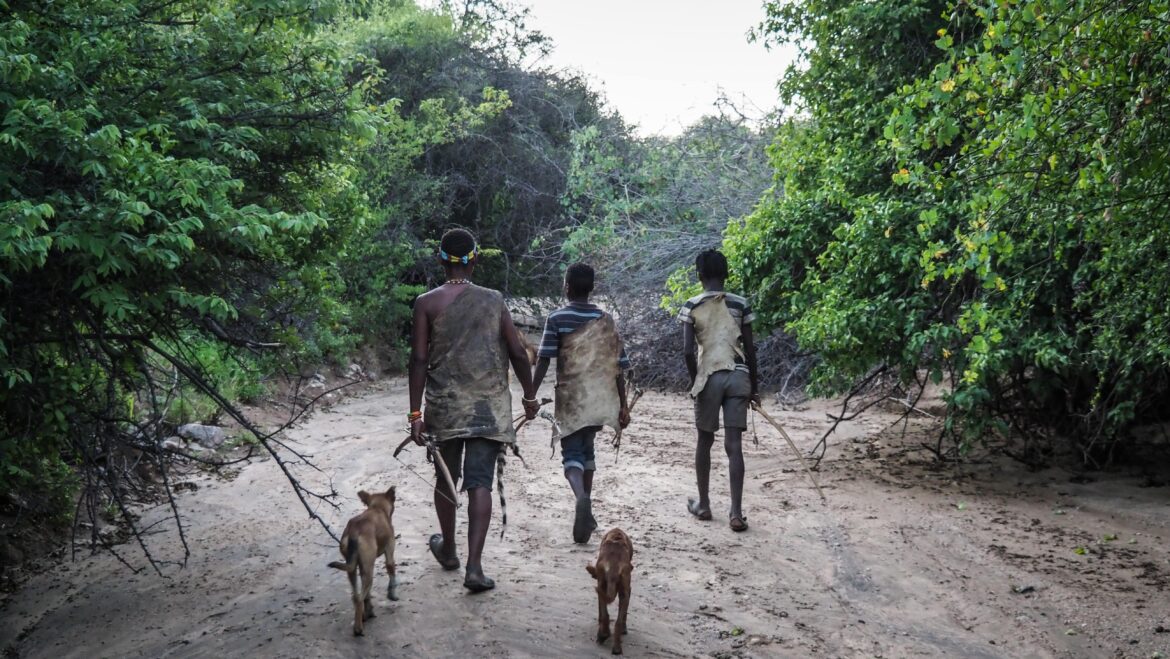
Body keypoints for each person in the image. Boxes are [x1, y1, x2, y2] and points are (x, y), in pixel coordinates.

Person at [408, 228, 539, 592]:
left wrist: (414, 414)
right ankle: (475, 568)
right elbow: (516, 351)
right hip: (487, 407)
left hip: (445, 407)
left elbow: (419, 359)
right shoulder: (494, 300)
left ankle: (448, 550)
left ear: (440, 260)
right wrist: (529, 397)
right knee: (479, 481)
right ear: (475, 259)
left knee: (445, 478)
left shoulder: (426, 303)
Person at [531, 263, 631, 543]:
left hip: (572, 398)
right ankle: (587, 514)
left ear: (567, 287)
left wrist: (531, 395)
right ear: (592, 289)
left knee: (571, 455)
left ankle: (581, 499)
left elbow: (543, 360)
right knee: (587, 452)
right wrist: (623, 405)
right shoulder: (606, 319)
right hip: (600, 398)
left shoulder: (557, 318)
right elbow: (619, 366)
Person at [678, 249, 760, 532]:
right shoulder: (740, 304)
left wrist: (695, 380)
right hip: (739, 376)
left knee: (705, 440)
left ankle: (704, 504)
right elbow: (750, 349)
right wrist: (755, 388)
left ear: (699, 276)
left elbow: (688, 351)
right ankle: (736, 513)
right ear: (726, 274)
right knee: (733, 446)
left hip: (710, 376)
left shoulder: (692, 304)